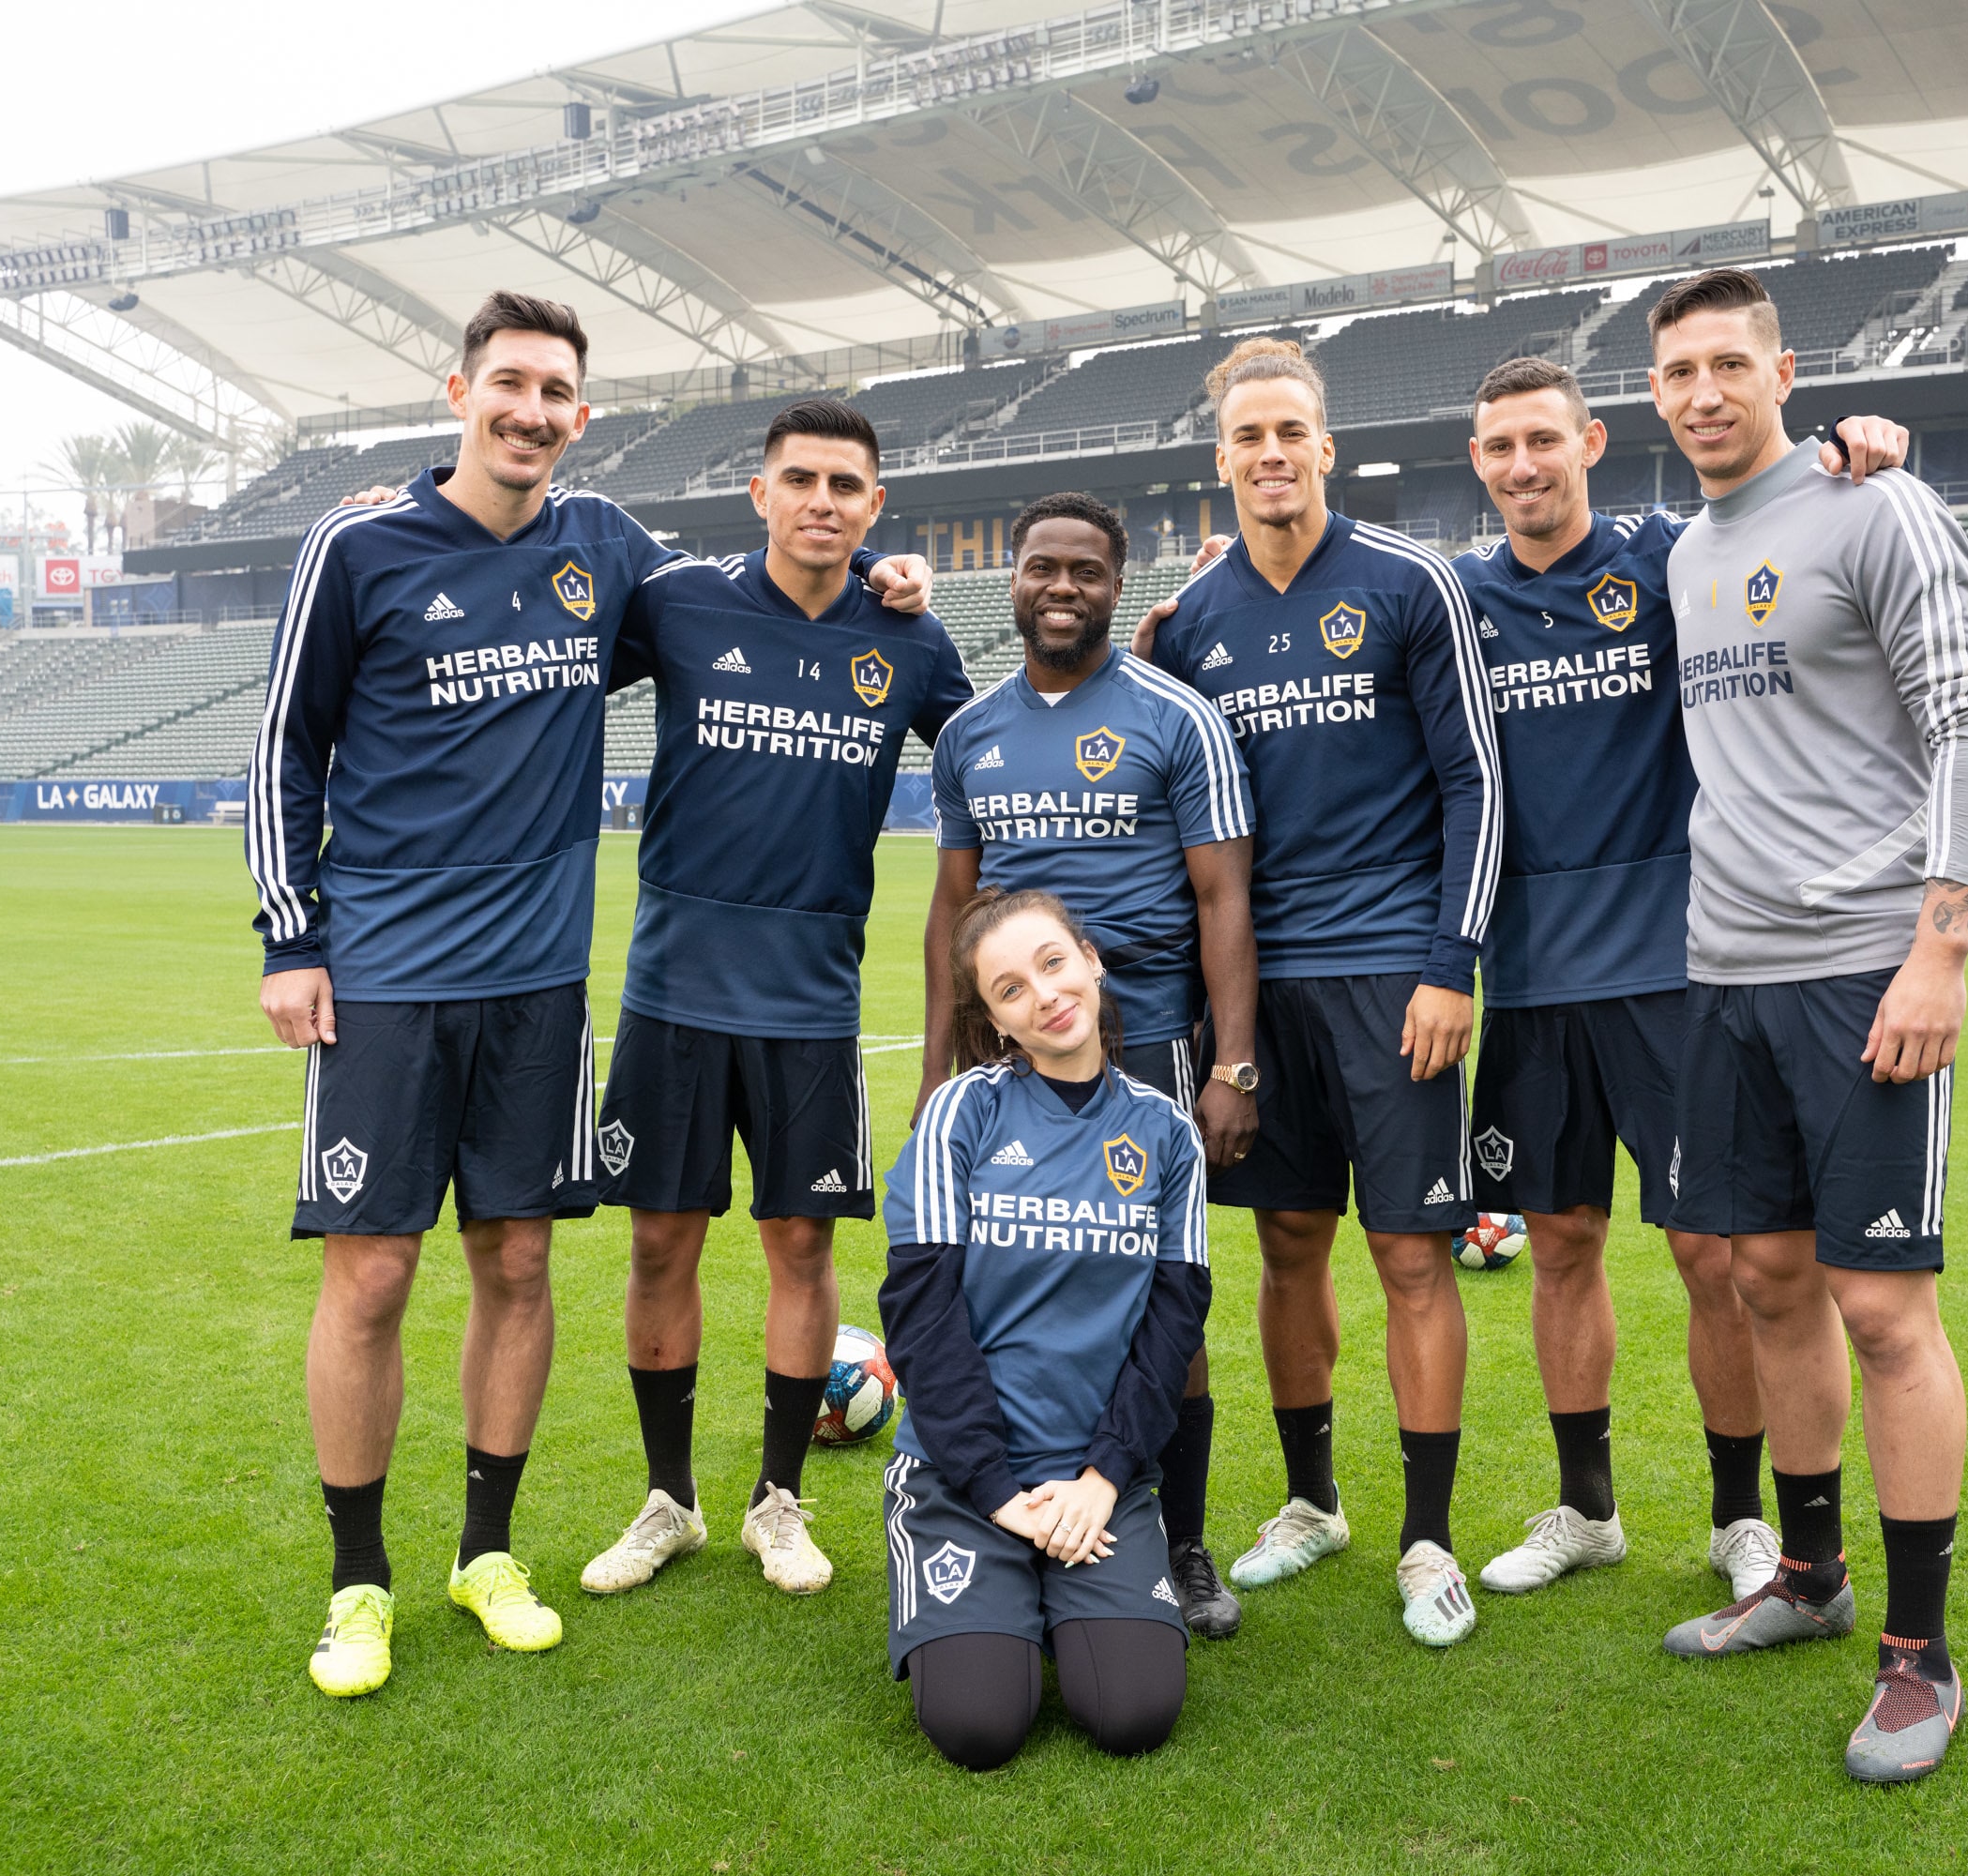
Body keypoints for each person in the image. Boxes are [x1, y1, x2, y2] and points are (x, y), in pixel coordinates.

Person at [265, 296, 932, 1700]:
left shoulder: (614, 552)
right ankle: (357, 1581)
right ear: (460, 391)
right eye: (507, 383)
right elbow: (289, 742)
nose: (529, 408)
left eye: (554, 391)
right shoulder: (362, 542)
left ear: (582, 415)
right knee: (374, 1273)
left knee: (517, 1265)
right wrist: (292, 936)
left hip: (543, 983)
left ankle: (486, 1554)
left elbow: (762, 607)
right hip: (385, 971)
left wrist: (891, 582)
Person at [1453, 357, 1909, 1607]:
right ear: (1479, 462)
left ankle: (1737, 1519)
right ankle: (1588, 1509)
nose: (1524, 466)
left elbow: (1768, 504)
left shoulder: (1665, 555)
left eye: (1544, 440)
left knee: (1715, 1255)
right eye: (1500, 447)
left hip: (1676, 967)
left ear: (1591, 441)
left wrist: (1850, 446)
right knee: (1558, 1245)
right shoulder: (1457, 597)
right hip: (1531, 980)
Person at [1645, 267, 1968, 1785]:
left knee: (1881, 1310)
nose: (1707, 390)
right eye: (1681, 371)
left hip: (1866, 967)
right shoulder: (1681, 555)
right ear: (1655, 396)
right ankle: (1807, 1577)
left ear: (1781, 371)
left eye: (1732, 362)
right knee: (1763, 1282)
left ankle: (1918, 1660)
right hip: (1721, 976)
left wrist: (1940, 952)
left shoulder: (1879, 509)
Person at [577, 399, 971, 1602]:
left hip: (812, 1003)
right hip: (673, 990)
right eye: (800, 478)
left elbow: (1004, 748)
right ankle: (670, 1498)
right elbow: (547, 639)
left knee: (802, 1243)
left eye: (846, 485)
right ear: (761, 493)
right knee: (659, 1240)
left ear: (875, 506)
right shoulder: (680, 602)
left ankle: (777, 1500)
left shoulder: (910, 638)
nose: (822, 500)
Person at [1143, 337, 1500, 1648]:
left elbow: (1475, 782)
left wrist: (1451, 963)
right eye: (1248, 437)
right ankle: (1313, 1501)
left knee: (1410, 1253)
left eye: (1292, 432)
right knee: (1286, 1245)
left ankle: (1428, 1536)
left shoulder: (1412, 584)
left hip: (1395, 975)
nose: (1272, 455)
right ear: (1222, 458)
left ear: (1327, 447)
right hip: (1257, 995)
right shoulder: (1191, 623)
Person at [917, 492, 1258, 1640]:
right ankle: (995, 1503)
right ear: (1011, 579)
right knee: (1004, 1281)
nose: (1062, 587)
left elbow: (1223, 895)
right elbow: (952, 912)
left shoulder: (1177, 714)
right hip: (1014, 1059)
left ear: (1118, 585)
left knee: (1166, 1299)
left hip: (1151, 1043)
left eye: (1086, 571)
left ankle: (1187, 1538)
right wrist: (934, 1074)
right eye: (1041, 568)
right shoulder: (968, 731)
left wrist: (1234, 1065)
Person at [880, 887, 1209, 1770]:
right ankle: (1001, 1595)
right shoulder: (965, 1112)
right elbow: (922, 1316)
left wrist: (1103, 1477)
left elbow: (1173, 1326)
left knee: (1134, 1714)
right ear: (995, 1023)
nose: (1045, 995)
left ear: (1091, 960)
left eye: (1053, 963)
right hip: (963, 1481)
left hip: (1095, 1482)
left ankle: (1064, 1591)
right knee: (979, 1727)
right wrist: (992, 1488)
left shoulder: (1167, 1132)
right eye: (1010, 989)